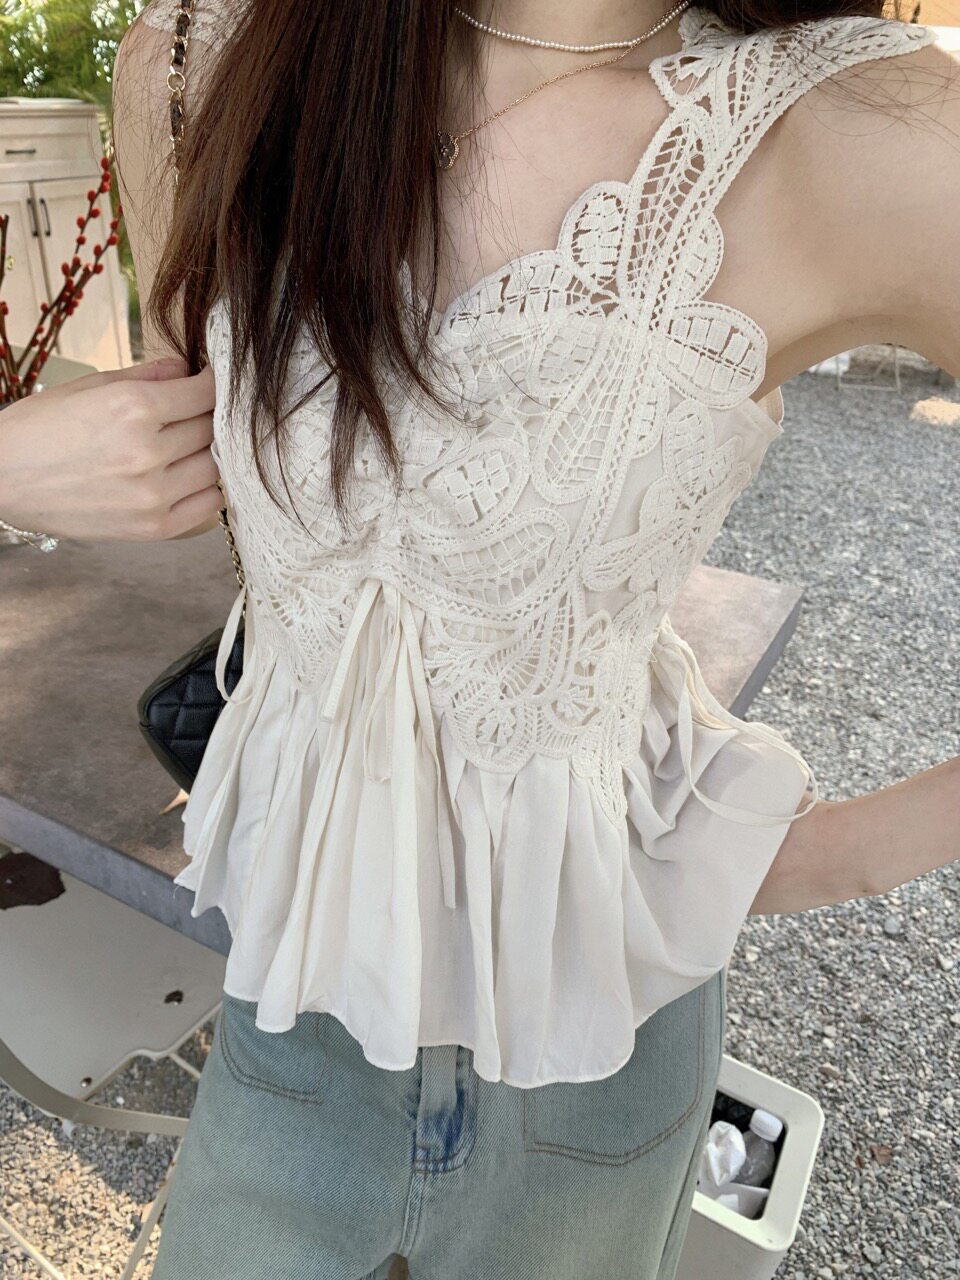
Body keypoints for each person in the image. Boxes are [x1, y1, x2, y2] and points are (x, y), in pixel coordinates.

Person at [1, 1, 956, 1276]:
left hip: (590, 1057)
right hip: (295, 1007)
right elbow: (216, 462)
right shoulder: (198, 63)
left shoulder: (856, 130)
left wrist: (823, 855)